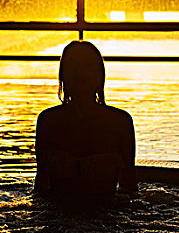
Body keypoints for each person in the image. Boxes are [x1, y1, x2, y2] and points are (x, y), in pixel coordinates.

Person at [34, 41, 137, 199]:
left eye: (87, 67)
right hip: (63, 213)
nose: (80, 74)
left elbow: (129, 184)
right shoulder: (48, 121)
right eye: (74, 67)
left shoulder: (120, 123)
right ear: (64, 75)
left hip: (102, 213)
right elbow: (40, 183)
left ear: (99, 75)